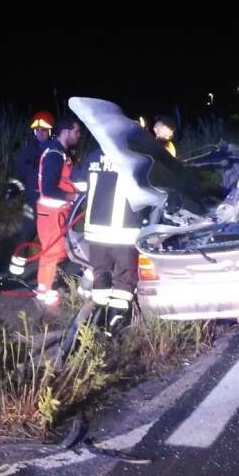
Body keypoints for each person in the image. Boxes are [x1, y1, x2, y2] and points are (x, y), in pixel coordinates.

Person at [70, 133, 152, 333]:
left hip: (96, 232)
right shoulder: (137, 158)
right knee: (124, 278)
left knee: (101, 274)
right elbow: (151, 191)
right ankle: (115, 324)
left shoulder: (94, 156)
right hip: (124, 232)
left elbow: (79, 184)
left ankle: (96, 318)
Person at [34, 113, 82, 305]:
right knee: (52, 254)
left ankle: (48, 292)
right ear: (66, 131)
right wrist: (73, 197)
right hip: (52, 214)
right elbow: (48, 188)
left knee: (59, 252)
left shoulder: (63, 153)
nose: (80, 135)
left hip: (59, 213)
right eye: (77, 131)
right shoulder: (54, 155)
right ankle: (46, 298)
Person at [4, 110, 54, 279]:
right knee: (27, 233)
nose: (40, 133)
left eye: (44, 130)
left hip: (51, 202)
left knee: (53, 238)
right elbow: (20, 174)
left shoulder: (56, 150)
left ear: (51, 131)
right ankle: (15, 273)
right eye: (37, 130)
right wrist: (13, 188)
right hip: (32, 200)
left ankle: (50, 272)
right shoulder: (28, 151)